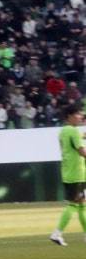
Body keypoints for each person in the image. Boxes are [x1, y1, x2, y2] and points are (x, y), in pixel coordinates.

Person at [50, 104, 86, 246]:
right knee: (73, 204)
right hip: (77, 173)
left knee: (82, 205)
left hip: (68, 172)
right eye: (78, 114)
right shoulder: (73, 131)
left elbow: (68, 146)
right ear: (69, 116)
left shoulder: (63, 131)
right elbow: (81, 151)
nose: (80, 116)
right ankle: (57, 233)